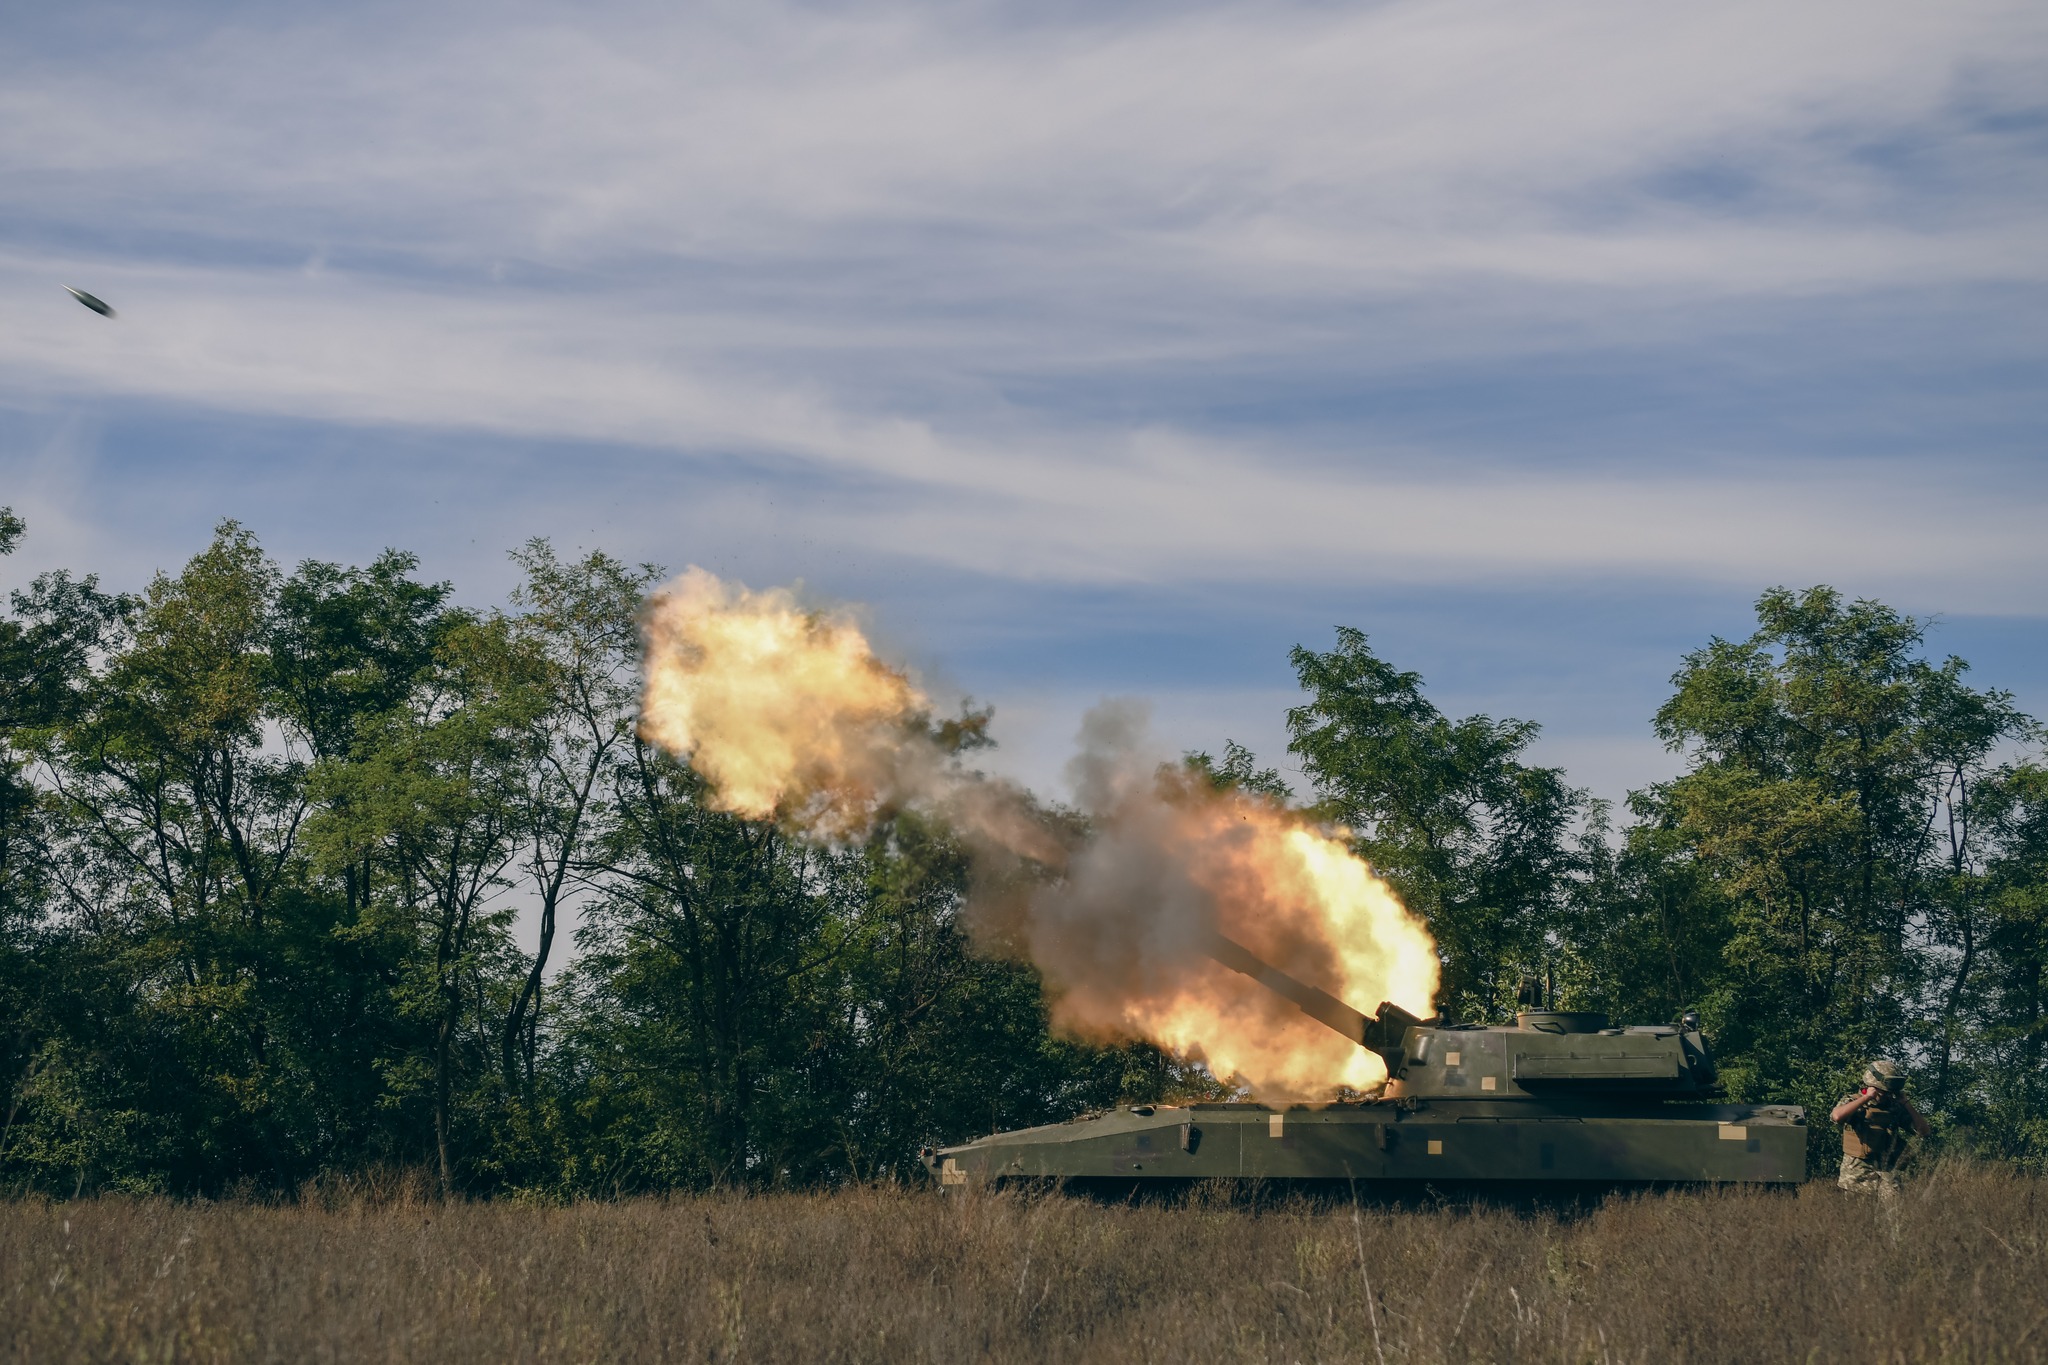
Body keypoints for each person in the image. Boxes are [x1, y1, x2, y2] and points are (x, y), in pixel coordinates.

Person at [1829, 1059, 1930, 1197]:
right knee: (1857, 1217)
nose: (1886, 1096)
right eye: (1883, 1092)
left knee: (1894, 1213)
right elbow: (1837, 1116)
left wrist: (1906, 1103)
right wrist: (1866, 1097)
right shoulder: (1853, 1102)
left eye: (1889, 1093)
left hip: (1886, 1173)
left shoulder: (1894, 1107)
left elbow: (1923, 1131)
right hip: (1856, 1175)